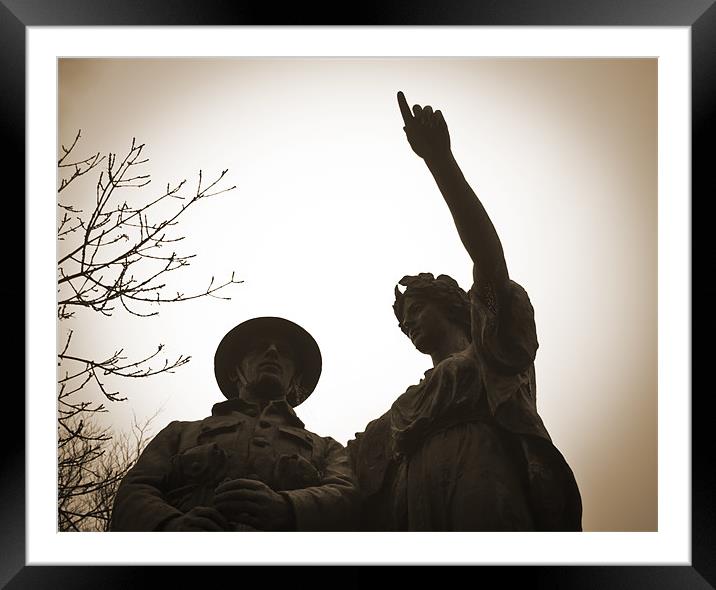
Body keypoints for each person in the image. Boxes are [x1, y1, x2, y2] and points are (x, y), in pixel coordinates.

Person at [347, 92, 582, 531]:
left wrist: (440, 163)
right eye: (402, 323)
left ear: (453, 305)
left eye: (415, 309)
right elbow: (339, 473)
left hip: (482, 475)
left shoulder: (492, 349)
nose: (408, 324)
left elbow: (488, 258)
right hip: (413, 505)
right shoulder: (406, 406)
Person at [110, 316, 359, 531]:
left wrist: (287, 508)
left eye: (284, 352)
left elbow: (346, 496)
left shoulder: (326, 448)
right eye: (259, 347)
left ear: (295, 379)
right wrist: (171, 526)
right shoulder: (180, 433)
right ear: (234, 372)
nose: (272, 352)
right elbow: (134, 491)